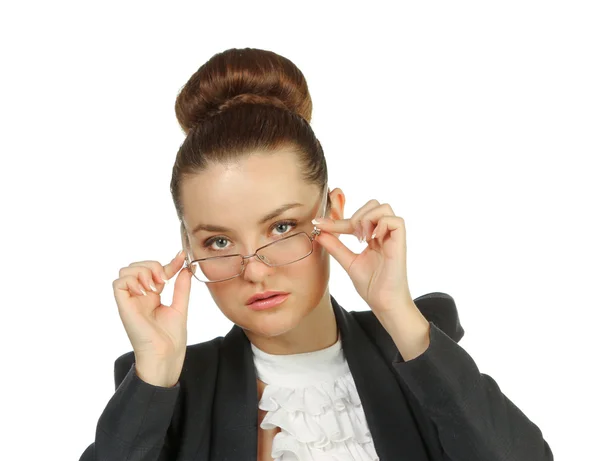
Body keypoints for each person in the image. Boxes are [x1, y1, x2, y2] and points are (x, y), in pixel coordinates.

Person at [79, 47, 553, 461]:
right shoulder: (172, 391)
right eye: (219, 242)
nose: (255, 271)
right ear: (187, 249)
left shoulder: (419, 351)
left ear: (332, 212)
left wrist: (397, 312)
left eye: (282, 226)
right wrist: (157, 373)